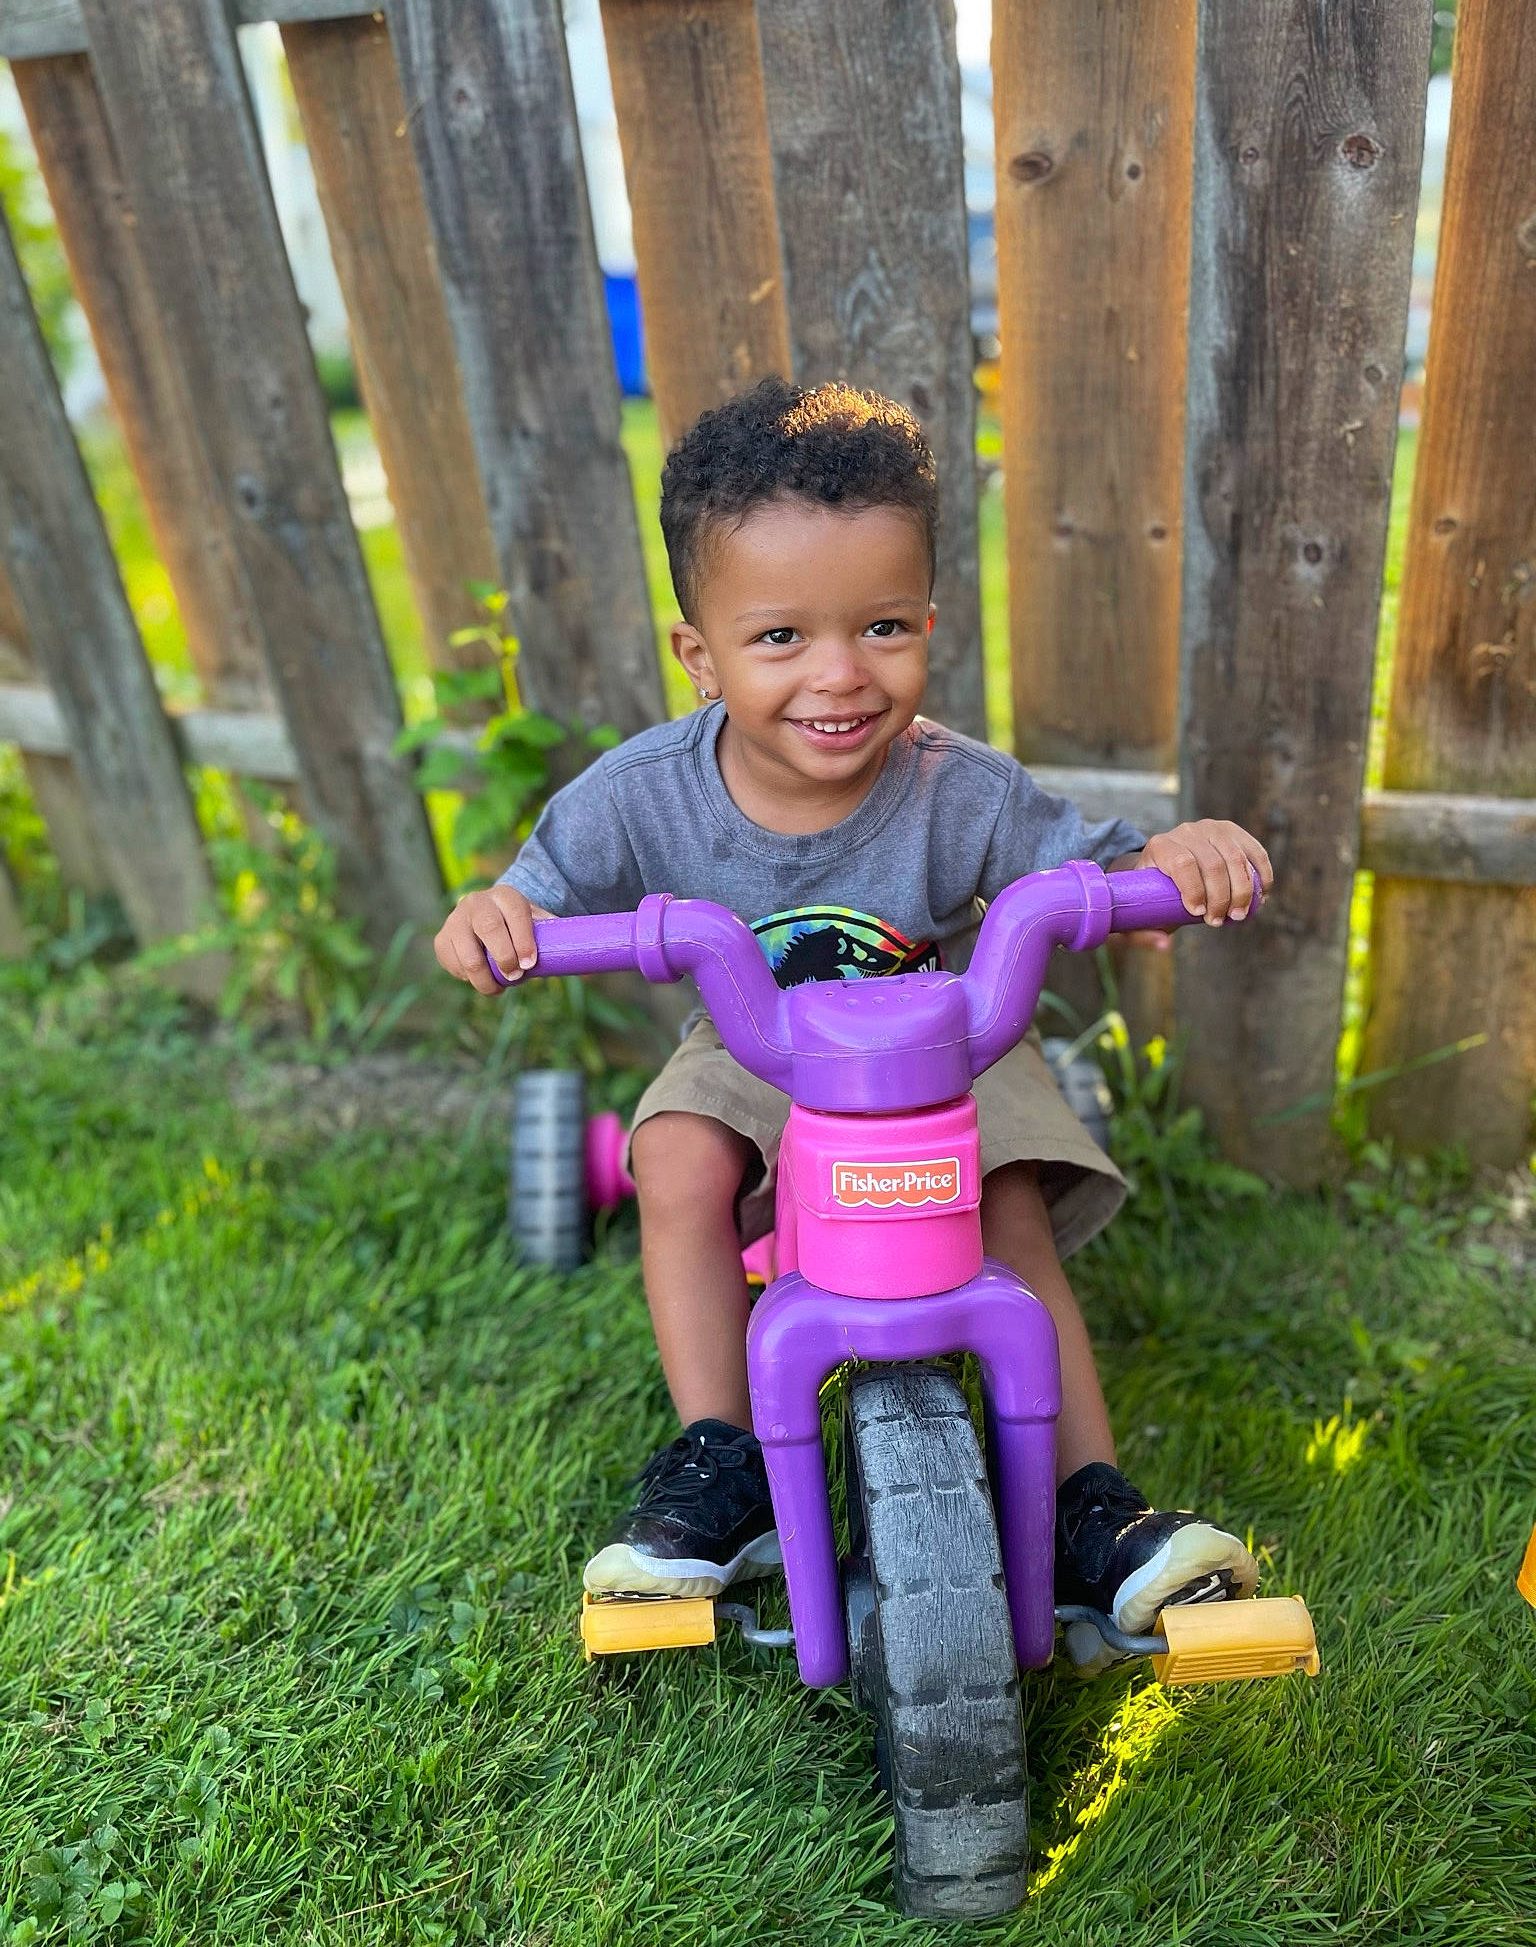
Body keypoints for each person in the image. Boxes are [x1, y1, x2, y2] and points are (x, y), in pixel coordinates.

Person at [434, 378, 1271, 1645]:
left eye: (883, 626)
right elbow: (537, 888)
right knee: (672, 1155)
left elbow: (1097, 868)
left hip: (946, 1038)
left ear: (929, 620)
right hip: (755, 1040)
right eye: (779, 639)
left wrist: (1179, 856)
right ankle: (719, 1459)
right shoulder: (644, 793)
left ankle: (1090, 1504)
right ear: (700, 651)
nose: (840, 675)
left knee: (1004, 1200)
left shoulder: (960, 787)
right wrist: (497, 914)